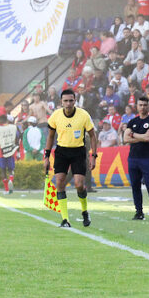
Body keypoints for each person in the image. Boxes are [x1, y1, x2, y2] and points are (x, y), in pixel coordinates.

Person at [44, 89, 98, 228]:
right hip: (61, 152)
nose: (68, 104)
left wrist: (93, 156)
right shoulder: (55, 116)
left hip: (78, 152)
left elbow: (92, 135)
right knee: (60, 183)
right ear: (61, 102)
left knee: (79, 184)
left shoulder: (83, 115)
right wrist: (46, 157)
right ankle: (65, 219)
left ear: (75, 101)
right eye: (65, 101)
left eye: (71, 101)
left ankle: (85, 211)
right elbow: (50, 137)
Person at [124, 96, 149, 220]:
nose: (143, 107)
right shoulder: (132, 122)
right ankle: (139, 212)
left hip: (147, 159)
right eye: (140, 105)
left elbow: (148, 138)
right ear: (137, 106)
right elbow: (125, 139)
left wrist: (133, 135)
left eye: (145, 105)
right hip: (133, 158)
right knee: (135, 186)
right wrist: (141, 137)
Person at [0, 114, 20, 194]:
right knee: (11, 169)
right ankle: (11, 180)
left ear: (0, 121)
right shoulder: (13, 127)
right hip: (11, 151)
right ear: (7, 120)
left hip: (2, 152)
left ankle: (6, 189)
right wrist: (16, 147)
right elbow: (18, 137)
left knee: (3, 170)